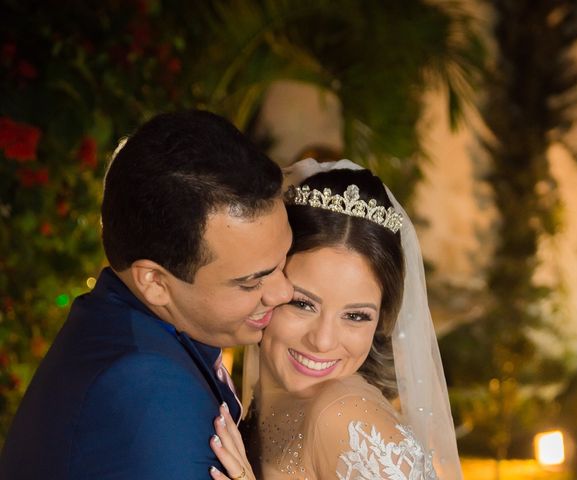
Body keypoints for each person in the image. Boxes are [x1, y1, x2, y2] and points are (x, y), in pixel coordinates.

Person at [0, 110, 294, 479]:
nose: (284, 291)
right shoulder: (151, 397)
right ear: (154, 281)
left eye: (284, 260)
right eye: (252, 282)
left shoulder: (114, 325)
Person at [207, 159, 462, 479]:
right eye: (303, 304)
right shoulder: (267, 400)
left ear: (382, 318)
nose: (323, 340)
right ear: (267, 284)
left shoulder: (344, 418)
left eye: (355, 315)